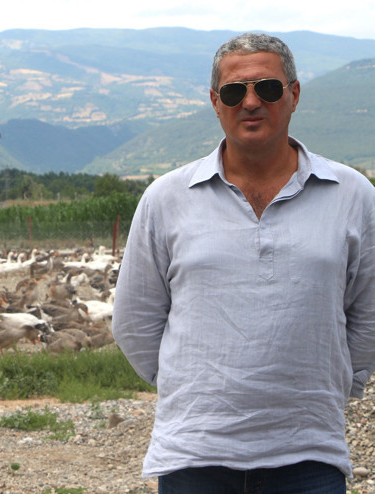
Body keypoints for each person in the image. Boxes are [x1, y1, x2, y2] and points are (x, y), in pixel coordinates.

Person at [112, 32, 375, 493]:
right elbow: (135, 319)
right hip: (195, 455)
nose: (251, 102)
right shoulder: (166, 199)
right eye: (235, 92)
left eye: (267, 88)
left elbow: (369, 312)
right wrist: (189, 388)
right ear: (216, 102)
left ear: (294, 95)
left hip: (310, 454)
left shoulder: (352, 195)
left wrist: (336, 383)